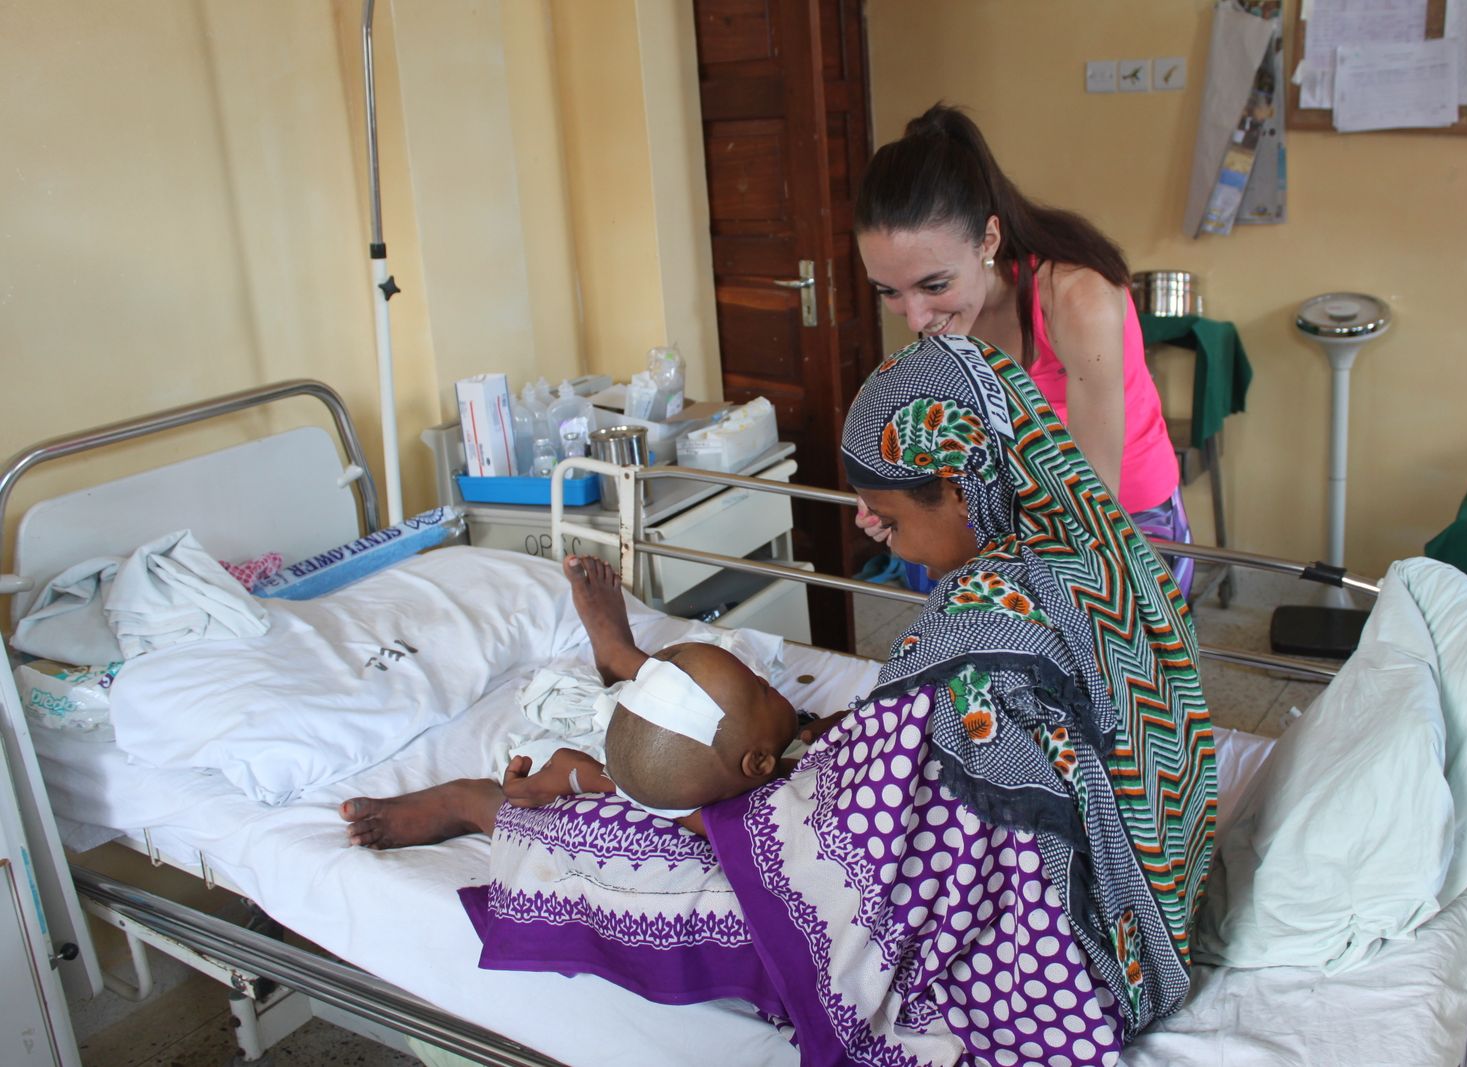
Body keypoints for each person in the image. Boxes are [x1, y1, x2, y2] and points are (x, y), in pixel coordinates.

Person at [343, 337, 1215, 1065]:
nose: (870, 529)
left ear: (958, 486)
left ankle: (492, 806)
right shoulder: (1099, 552)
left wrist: (734, 809)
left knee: (669, 880)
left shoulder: (977, 636)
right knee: (726, 778)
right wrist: (836, 749)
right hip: (1150, 923)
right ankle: (620, 679)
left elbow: (863, 844)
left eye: (886, 516)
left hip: (1072, 955)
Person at [852, 103, 1194, 595]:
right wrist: (896, 502)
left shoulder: (1078, 299)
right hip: (1012, 512)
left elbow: (1095, 502)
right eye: (889, 291)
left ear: (988, 240)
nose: (915, 319)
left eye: (934, 285)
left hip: (1122, 514)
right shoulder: (944, 312)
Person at [339, 555, 800, 846]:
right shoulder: (749, 805)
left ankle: (625, 666)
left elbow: (617, 786)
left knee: (589, 826)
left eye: (760, 685)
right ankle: (622, 660)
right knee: (560, 839)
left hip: (617, 796)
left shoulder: (759, 805)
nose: (766, 682)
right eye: (762, 687)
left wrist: (578, 775)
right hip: (629, 788)